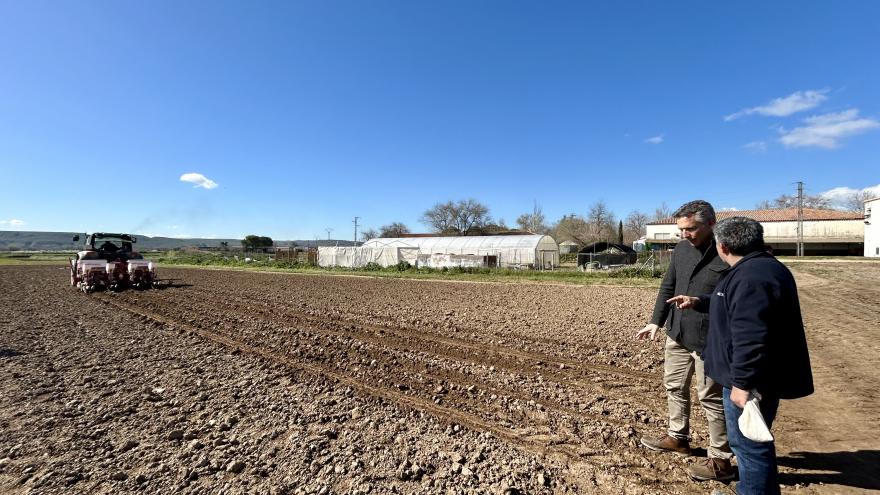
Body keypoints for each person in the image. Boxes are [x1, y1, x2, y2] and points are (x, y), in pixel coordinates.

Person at [669, 216, 813, 494]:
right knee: (754, 444)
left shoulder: (750, 277)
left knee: (749, 447)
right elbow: (736, 304)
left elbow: (752, 335)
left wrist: (742, 384)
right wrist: (700, 301)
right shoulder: (759, 269)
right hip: (758, 377)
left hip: (751, 381)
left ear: (722, 246)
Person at [636, 200, 735, 481]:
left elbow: (732, 297)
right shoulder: (680, 250)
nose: (684, 235)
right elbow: (668, 285)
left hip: (710, 339)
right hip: (677, 332)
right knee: (674, 386)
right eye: (681, 229)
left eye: (690, 229)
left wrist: (699, 302)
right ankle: (677, 437)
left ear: (711, 224)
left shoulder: (727, 252)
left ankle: (721, 460)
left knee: (712, 398)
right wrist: (656, 321)